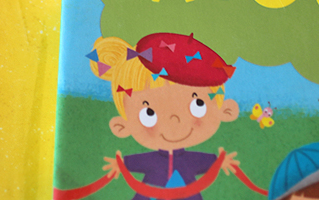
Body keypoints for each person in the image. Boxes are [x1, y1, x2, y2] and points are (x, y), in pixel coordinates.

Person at [91, 32, 240, 200]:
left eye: (198, 105)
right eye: (149, 114)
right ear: (122, 126)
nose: (174, 121)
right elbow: (138, 162)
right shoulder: (152, 160)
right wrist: (121, 164)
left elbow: (203, 161)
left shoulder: (189, 160)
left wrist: (220, 161)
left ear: (225, 110)